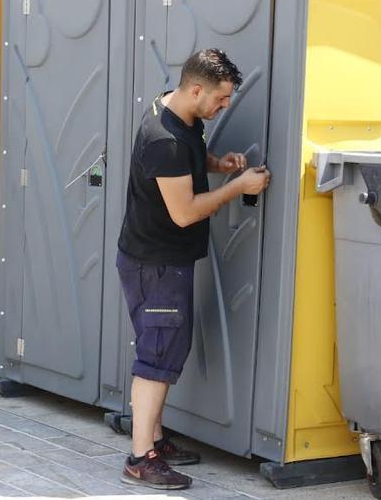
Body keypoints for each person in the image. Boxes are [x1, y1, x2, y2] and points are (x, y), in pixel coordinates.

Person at [116, 48, 271, 490]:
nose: (224, 107)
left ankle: (155, 439)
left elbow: (188, 156)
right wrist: (237, 186)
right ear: (197, 89)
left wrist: (217, 164)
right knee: (158, 356)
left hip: (159, 260)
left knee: (163, 349)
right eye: (221, 100)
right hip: (157, 265)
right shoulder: (162, 137)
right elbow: (184, 212)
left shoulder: (178, 112)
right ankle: (140, 457)